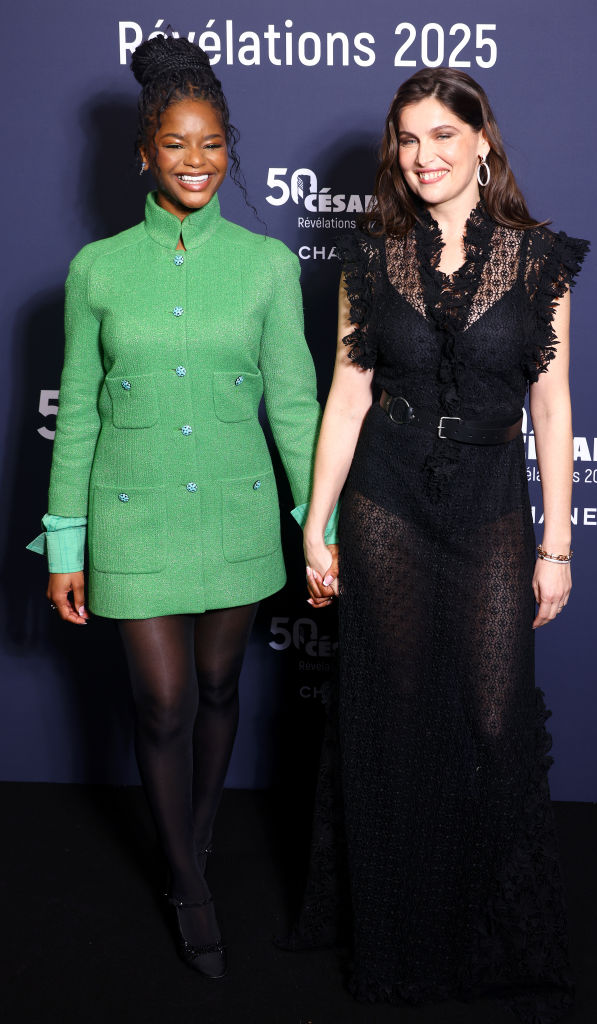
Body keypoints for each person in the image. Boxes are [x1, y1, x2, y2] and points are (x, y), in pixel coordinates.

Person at [28, 35, 336, 979]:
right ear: (144, 154)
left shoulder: (266, 266)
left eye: (211, 144)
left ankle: (193, 837)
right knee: (160, 700)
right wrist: (64, 545)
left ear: (228, 149)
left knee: (216, 690)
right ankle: (186, 881)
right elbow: (75, 411)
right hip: (133, 513)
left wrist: (315, 530)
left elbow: (294, 405)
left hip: (239, 515)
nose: (195, 161)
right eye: (176, 144)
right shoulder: (97, 270)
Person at [296, 68, 588, 1023]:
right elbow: (346, 399)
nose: (423, 157)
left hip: (491, 502)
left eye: (441, 136)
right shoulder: (370, 260)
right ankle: (399, 934)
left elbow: (551, 405)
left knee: (496, 718)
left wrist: (557, 543)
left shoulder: (539, 258)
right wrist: (316, 518)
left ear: (481, 141)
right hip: (385, 501)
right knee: (398, 716)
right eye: (407, 140)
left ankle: (491, 934)